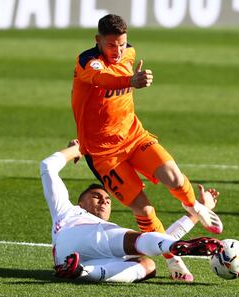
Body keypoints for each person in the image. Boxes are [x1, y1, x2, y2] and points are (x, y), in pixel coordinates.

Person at [71, 13, 223, 281]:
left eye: (121, 44)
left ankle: (194, 207)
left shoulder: (129, 54)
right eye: (110, 45)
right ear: (98, 40)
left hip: (134, 135)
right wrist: (131, 81)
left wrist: (134, 77)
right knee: (144, 210)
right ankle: (172, 259)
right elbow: (104, 80)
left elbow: (124, 64)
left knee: (173, 176)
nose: (117, 51)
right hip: (104, 154)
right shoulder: (88, 62)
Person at [40, 141, 223, 283]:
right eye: (96, 196)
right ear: (80, 203)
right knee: (139, 241)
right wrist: (77, 150)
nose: (104, 200)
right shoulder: (67, 210)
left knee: (148, 265)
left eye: (108, 199)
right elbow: (47, 167)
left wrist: (199, 211)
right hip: (78, 235)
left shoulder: (106, 228)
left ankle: (80, 272)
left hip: (74, 260)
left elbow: (158, 237)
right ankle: (175, 248)